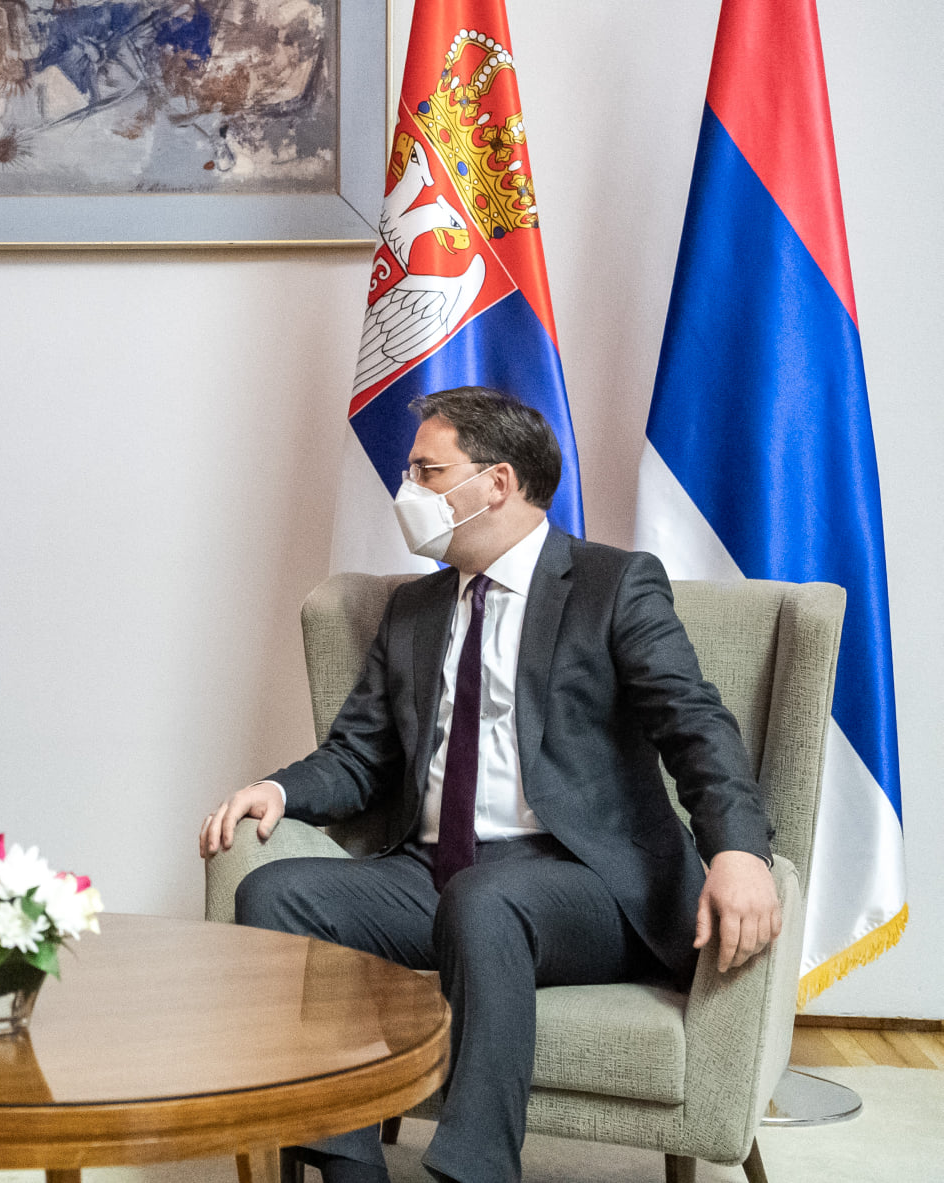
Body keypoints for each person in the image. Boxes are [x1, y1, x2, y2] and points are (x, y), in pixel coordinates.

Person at [198, 387, 781, 1183]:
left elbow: (695, 725)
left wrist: (739, 850)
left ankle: (475, 1172)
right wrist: (278, 790)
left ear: (496, 482)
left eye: (426, 471)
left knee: (486, 897)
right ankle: (348, 1169)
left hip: (583, 881)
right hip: (434, 874)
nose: (406, 490)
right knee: (275, 892)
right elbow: (358, 756)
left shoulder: (612, 585)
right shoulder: (413, 608)